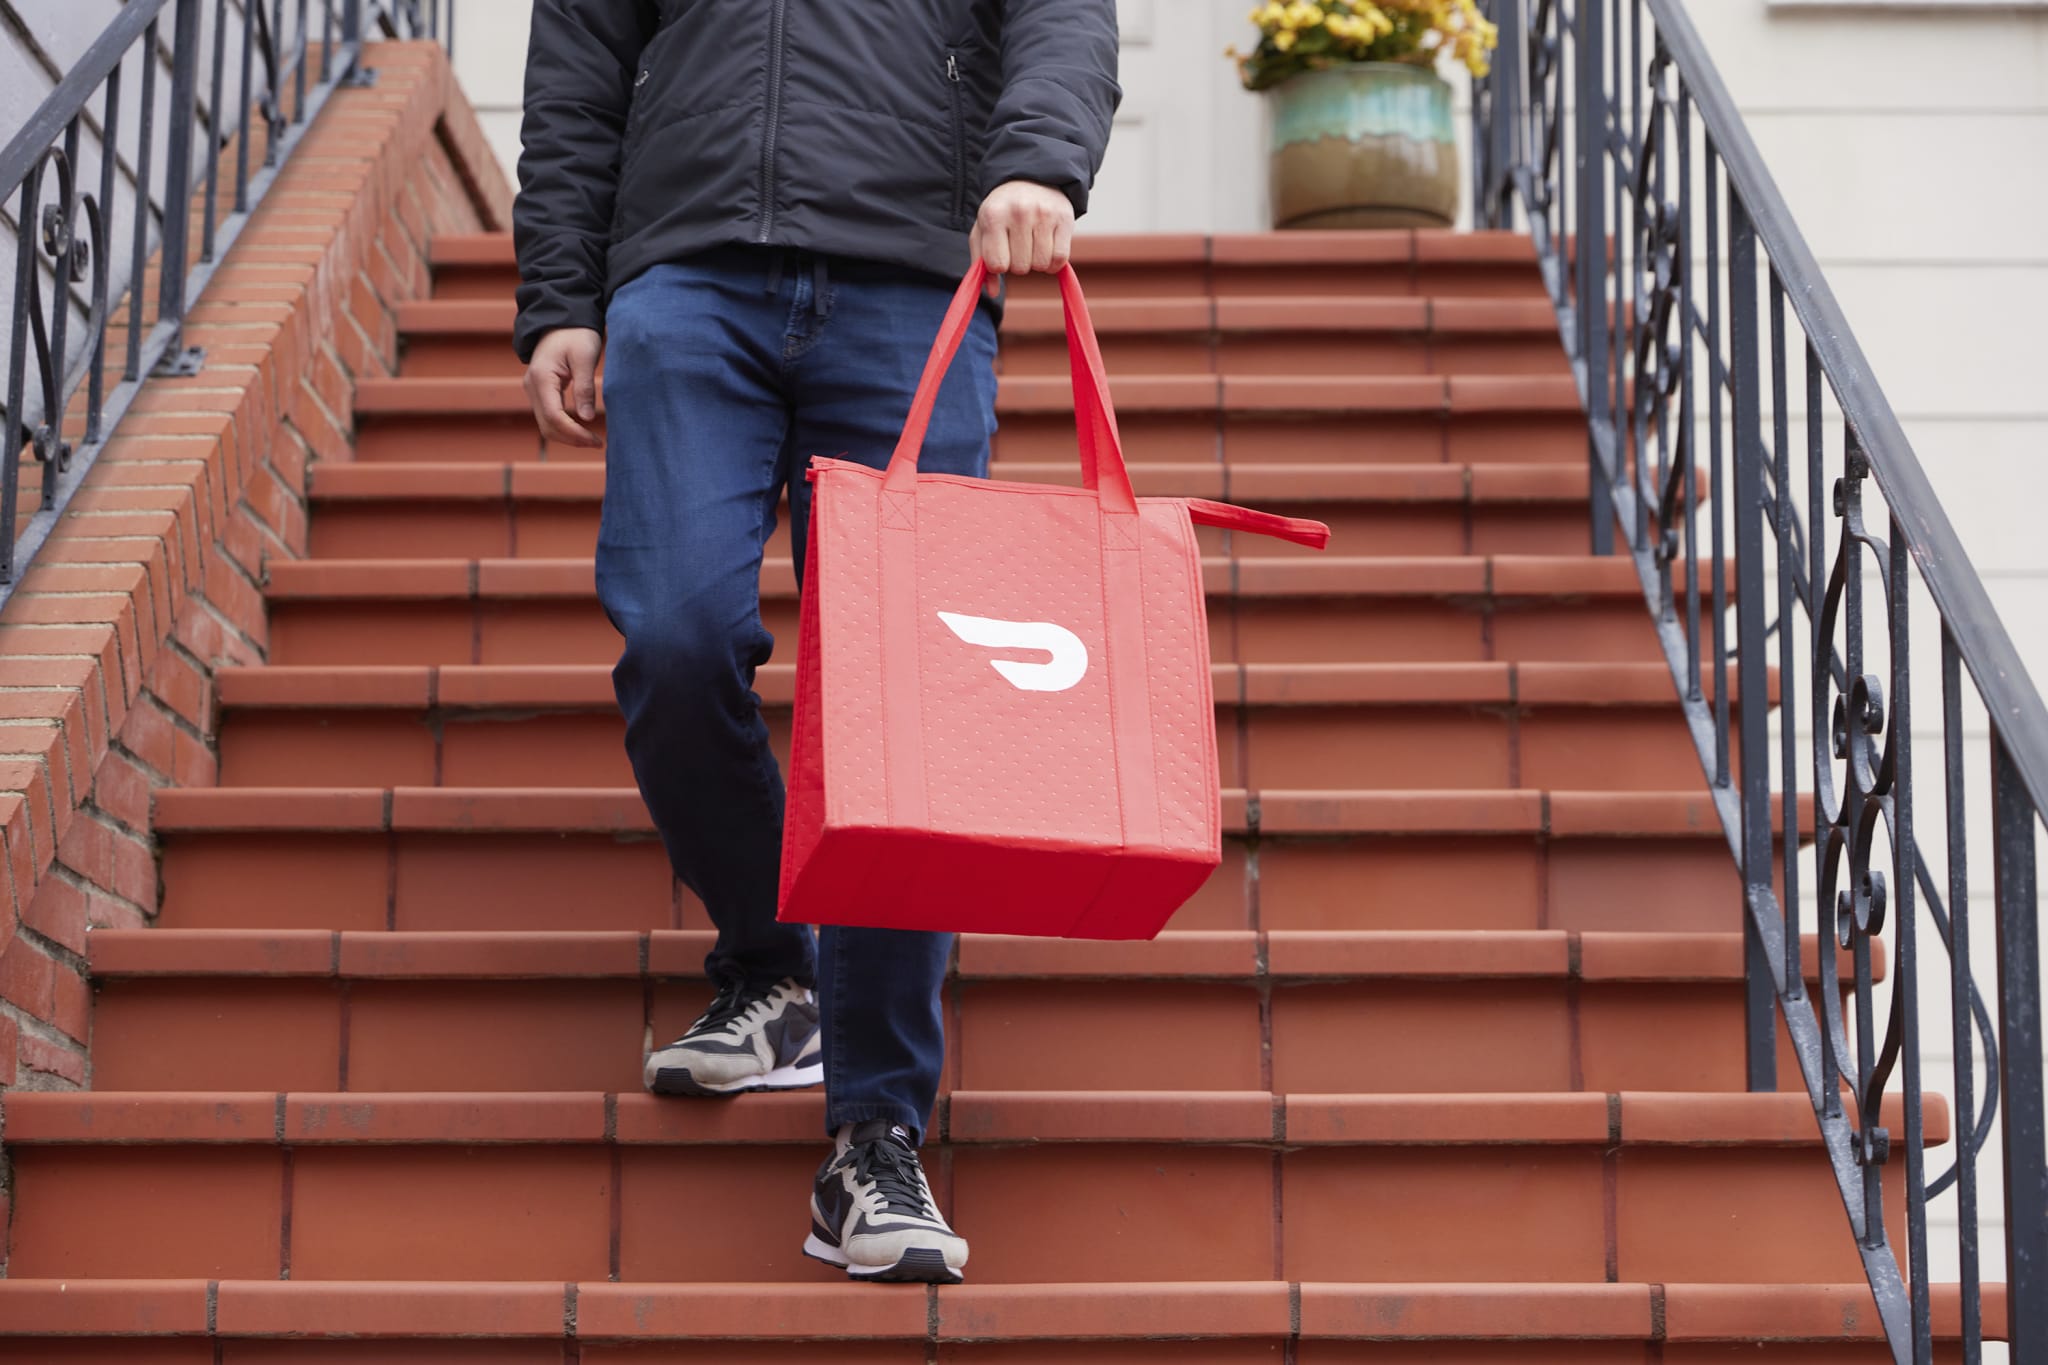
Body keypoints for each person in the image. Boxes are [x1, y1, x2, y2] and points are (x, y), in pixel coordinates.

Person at [512, 1, 1120, 1285]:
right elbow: (576, 74)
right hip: (681, 278)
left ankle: (875, 1130)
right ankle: (769, 961)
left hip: (909, 281)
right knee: (675, 635)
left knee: (903, 711)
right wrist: (561, 295)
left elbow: (1060, 14)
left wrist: (1036, 162)